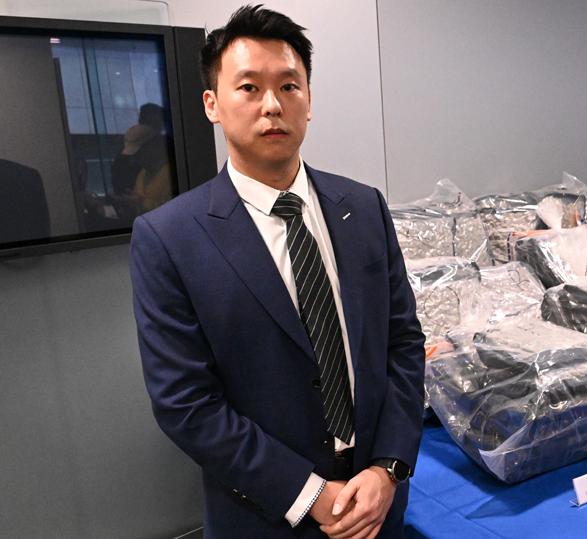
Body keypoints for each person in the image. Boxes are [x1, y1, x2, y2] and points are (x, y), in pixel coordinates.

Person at [129, 5, 425, 538]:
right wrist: (308, 495)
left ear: (309, 100)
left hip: (377, 503)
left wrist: (389, 467)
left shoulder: (363, 208)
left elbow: (402, 343)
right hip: (266, 514)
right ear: (212, 104)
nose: (272, 105)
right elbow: (185, 403)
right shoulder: (169, 238)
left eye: (289, 86)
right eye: (249, 87)